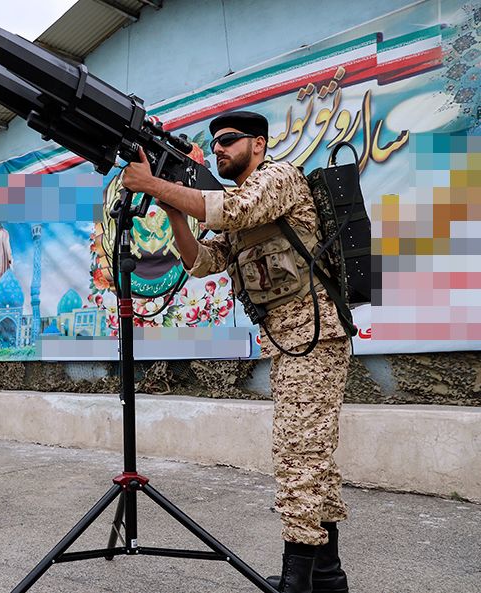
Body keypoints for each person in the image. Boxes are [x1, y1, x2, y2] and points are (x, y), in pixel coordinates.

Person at [121, 111, 351, 593]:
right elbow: (200, 261)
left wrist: (157, 185)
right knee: (312, 458)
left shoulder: (277, 179)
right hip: (289, 339)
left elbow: (235, 211)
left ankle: (298, 582)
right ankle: (326, 577)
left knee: (298, 455)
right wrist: (173, 210)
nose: (220, 148)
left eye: (229, 140)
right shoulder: (234, 201)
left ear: (259, 146)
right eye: (215, 142)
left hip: (315, 333)